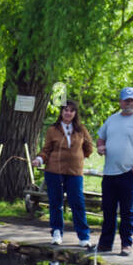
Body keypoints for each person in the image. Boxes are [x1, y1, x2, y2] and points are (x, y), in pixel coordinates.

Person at [95, 87, 133, 255]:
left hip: (130, 173)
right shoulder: (112, 120)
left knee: (127, 210)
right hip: (109, 173)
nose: (129, 103)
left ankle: (126, 244)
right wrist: (100, 146)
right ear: (120, 102)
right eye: (126, 100)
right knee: (108, 209)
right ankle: (105, 243)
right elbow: (101, 137)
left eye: (132, 100)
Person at [32, 99, 95, 248]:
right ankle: (56, 232)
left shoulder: (81, 130)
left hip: (74, 172)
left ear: (75, 113)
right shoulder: (52, 130)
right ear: (61, 112)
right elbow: (46, 149)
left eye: (71, 110)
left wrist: (76, 158)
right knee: (55, 203)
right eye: (65, 110)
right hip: (54, 171)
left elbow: (88, 148)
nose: (68, 113)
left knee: (77, 203)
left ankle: (84, 236)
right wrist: (39, 159)